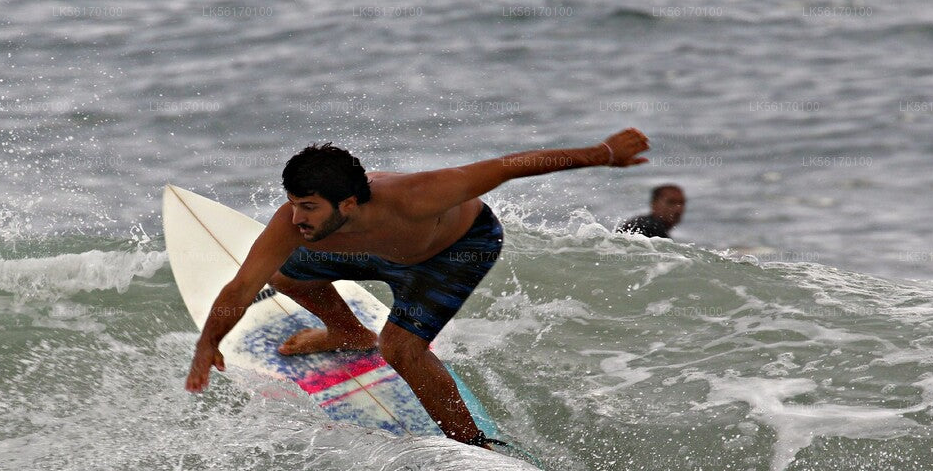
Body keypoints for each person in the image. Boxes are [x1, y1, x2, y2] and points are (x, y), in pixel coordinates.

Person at [185, 128, 650, 448]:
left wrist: (603, 154)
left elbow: (509, 165)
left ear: (348, 202)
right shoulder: (297, 225)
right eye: (291, 204)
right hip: (380, 253)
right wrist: (209, 342)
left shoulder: (417, 195)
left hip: (454, 254)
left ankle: (473, 444)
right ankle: (345, 331)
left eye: (307, 206)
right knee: (280, 271)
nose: (295, 217)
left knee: (401, 349)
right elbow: (241, 286)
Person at [616, 184, 685, 238]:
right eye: (671, 202)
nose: (678, 208)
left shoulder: (640, 223)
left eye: (681, 203)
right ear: (654, 204)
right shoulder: (650, 227)